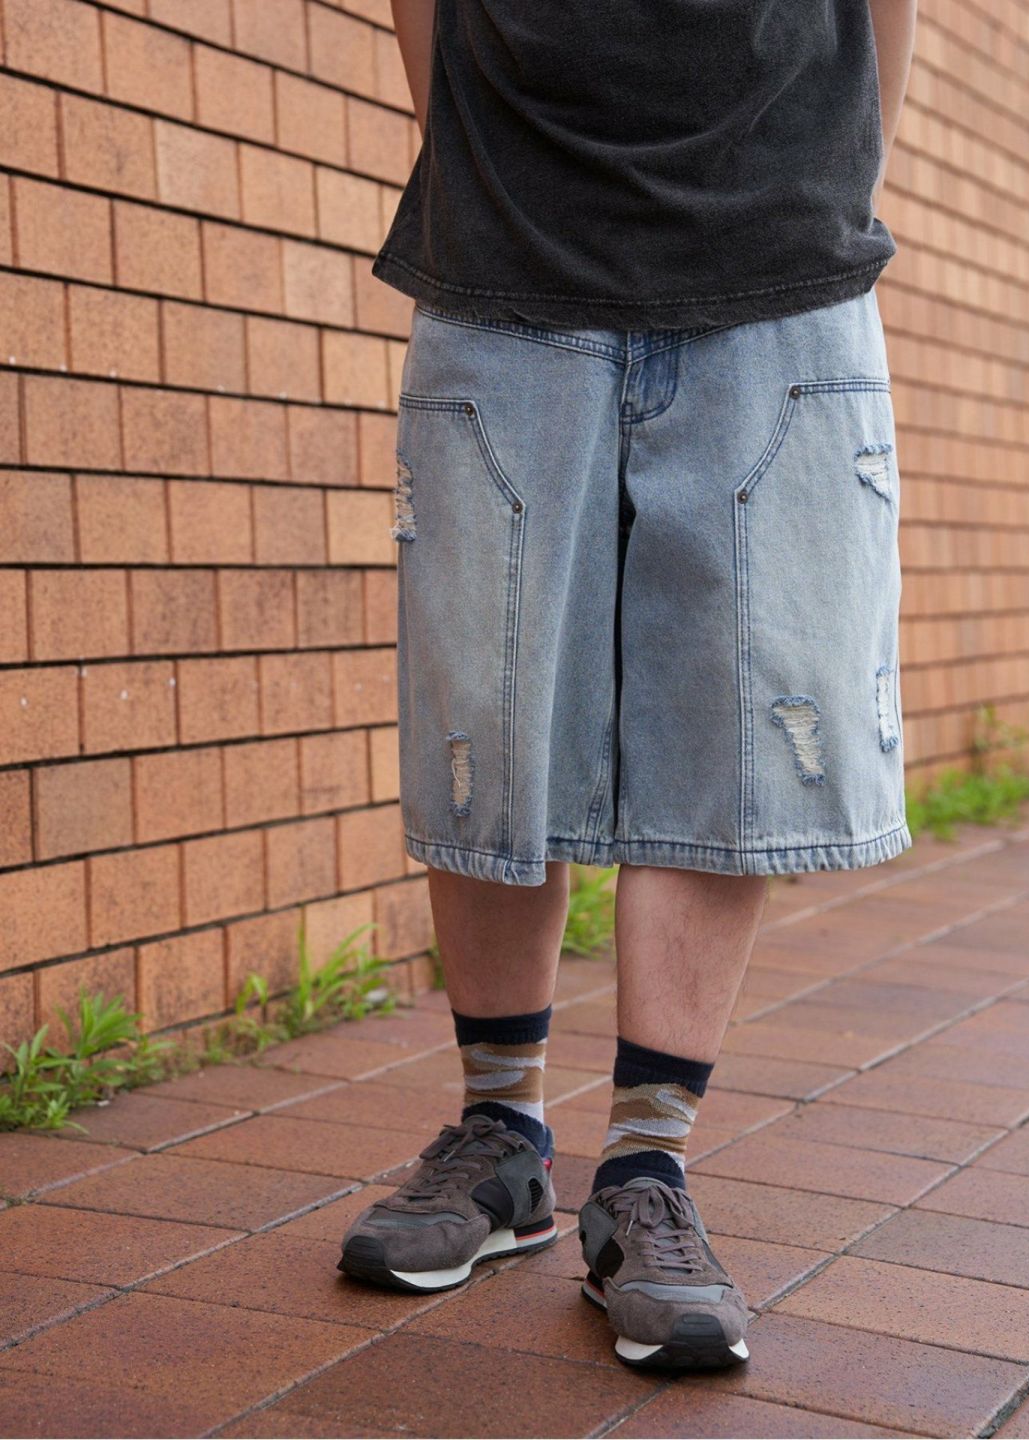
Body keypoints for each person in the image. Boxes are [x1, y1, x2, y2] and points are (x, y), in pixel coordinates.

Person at [339, 0, 917, 1372]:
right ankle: (502, 1139)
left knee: (738, 719)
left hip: (779, 247)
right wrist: (485, 165)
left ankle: (646, 1171)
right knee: (489, 712)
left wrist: (822, 180)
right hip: (503, 241)